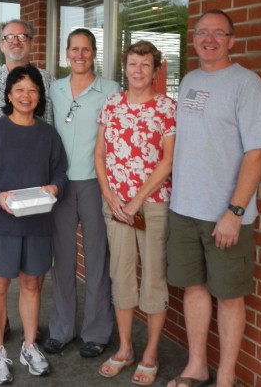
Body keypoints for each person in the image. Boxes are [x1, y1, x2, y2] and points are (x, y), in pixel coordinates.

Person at [166, 9, 261, 387]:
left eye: (217, 33)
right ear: (193, 39)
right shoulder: (190, 81)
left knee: (228, 296)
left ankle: (226, 378)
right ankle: (197, 365)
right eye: (201, 33)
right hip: (184, 209)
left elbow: (257, 153)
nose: (208, 39)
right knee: (193, 288)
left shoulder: (247, 85)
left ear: (231, 40)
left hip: (225, 214)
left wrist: (235, 211)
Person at [0, 65, 68, 385]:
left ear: (40, 97)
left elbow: (60, 173)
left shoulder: (48, 134)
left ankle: (28, 345)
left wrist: (55, 187)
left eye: (33, 90)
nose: (26, 96)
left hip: (37, 221)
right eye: (20, 89)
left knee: (32, 285)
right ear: (9, 94)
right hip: (1, 222)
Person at [94, 40, 176, 386]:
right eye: (132, 64)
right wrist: (111, 197)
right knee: (121, 275)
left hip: (152, 205)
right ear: (124, 68)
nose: (138, 70)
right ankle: (126, 348)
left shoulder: (167, 108)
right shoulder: (111, 105)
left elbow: (168, 160)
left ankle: (151, 353)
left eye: (145, 64)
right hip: (116, 206)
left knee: (154, 277)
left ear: (155, 70)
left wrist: (136, 200)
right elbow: (100, 154)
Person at [0, 18, 53, 349]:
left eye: (23, 37)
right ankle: (0, 327)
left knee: (32, 273)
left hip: (36, 192)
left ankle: (30, 332)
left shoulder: (46, 80)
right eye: (10, 38)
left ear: (31, 43)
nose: (17, 42)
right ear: (2, 44)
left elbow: (50, 132)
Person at [44, 28, 119, 359]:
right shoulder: (53, 89)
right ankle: (62, 329)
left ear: (94, 53)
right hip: (60, 184)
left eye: (85, 49)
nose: (79, 55)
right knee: (62, 260)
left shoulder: (111, 90)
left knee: (97, 259)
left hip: (95, 184)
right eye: (74, 49)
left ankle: (96, 331)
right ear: (66, 52)